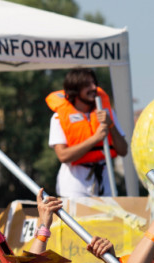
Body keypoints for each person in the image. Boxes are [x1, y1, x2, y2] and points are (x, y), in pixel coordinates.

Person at [46, 68, 128, 198]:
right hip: (74, 188)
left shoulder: (107, 113)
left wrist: (110, 124)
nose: (94, 87)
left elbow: (123, 150)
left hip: (105, 183)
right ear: (75, 89)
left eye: (94, 83)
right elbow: (63, 156)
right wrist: (95, 139)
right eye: (87, 85)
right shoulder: (58, 118)